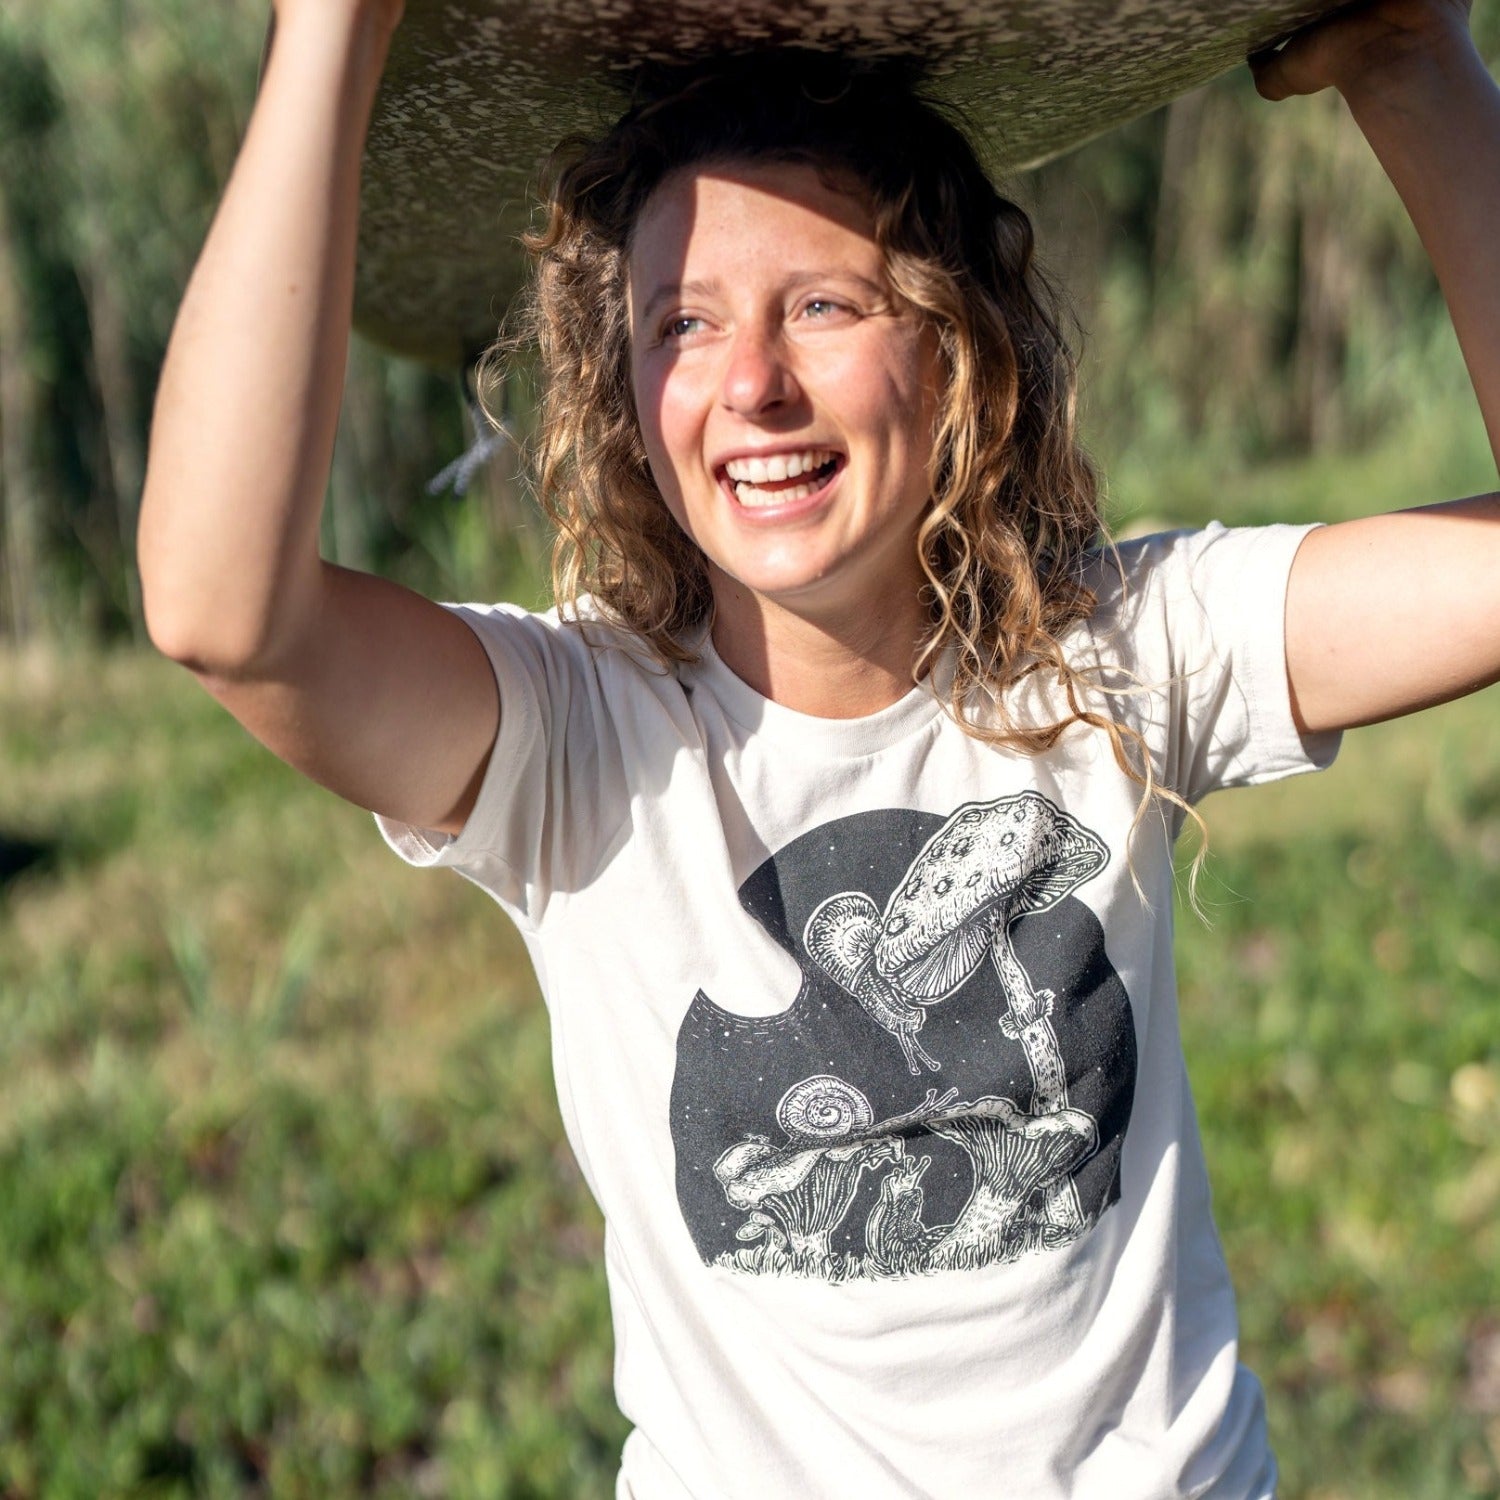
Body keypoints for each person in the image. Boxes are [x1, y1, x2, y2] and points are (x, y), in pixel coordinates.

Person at [137, 0, 1499, 1494]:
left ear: (960, 349)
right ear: (628, 400)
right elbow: (223, 612)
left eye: (826, 307)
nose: (752, 384)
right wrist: (330, 31)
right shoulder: (579, 737)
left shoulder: (1125, 650)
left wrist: (1413, 73)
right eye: (685, 323)